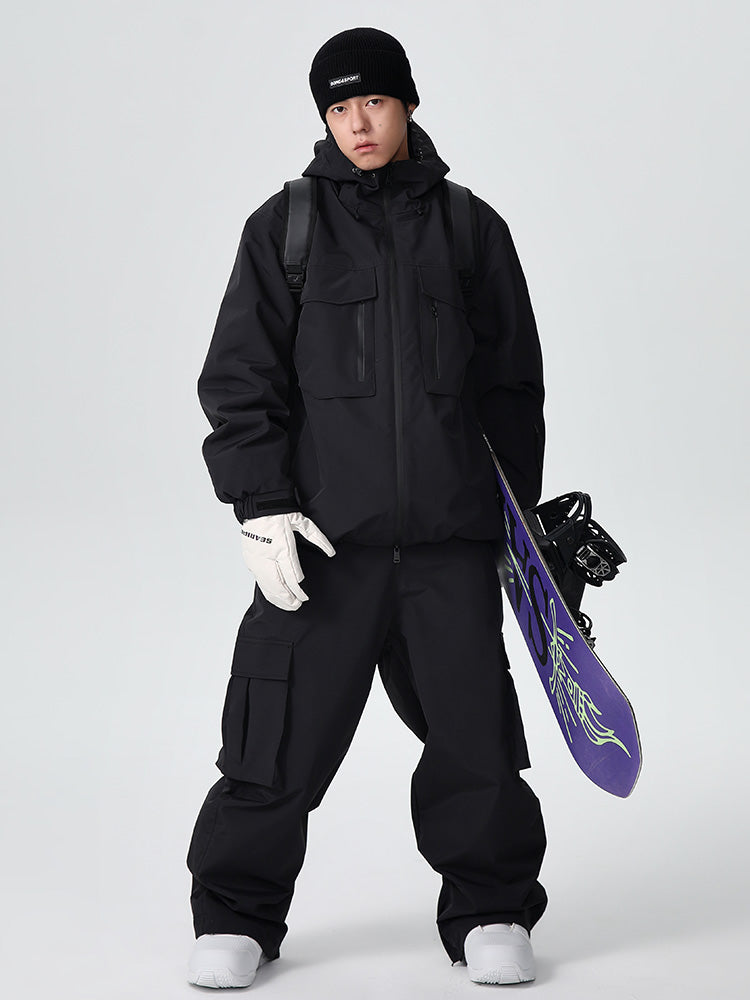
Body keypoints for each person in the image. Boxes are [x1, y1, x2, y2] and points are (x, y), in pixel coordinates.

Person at [186, 26, 548, 989]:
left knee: (475, 739)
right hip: (322, 544)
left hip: (447, 544)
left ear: (408, 105)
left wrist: (516, 526)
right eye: (340, 107)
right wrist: (261, 505)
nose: (358, 123)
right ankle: (236, 914)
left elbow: (512, 388)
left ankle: (492, 908)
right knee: (273, 738)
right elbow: (240, 377)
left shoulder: (470, 228)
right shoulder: (287, 226)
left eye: (375, 102)